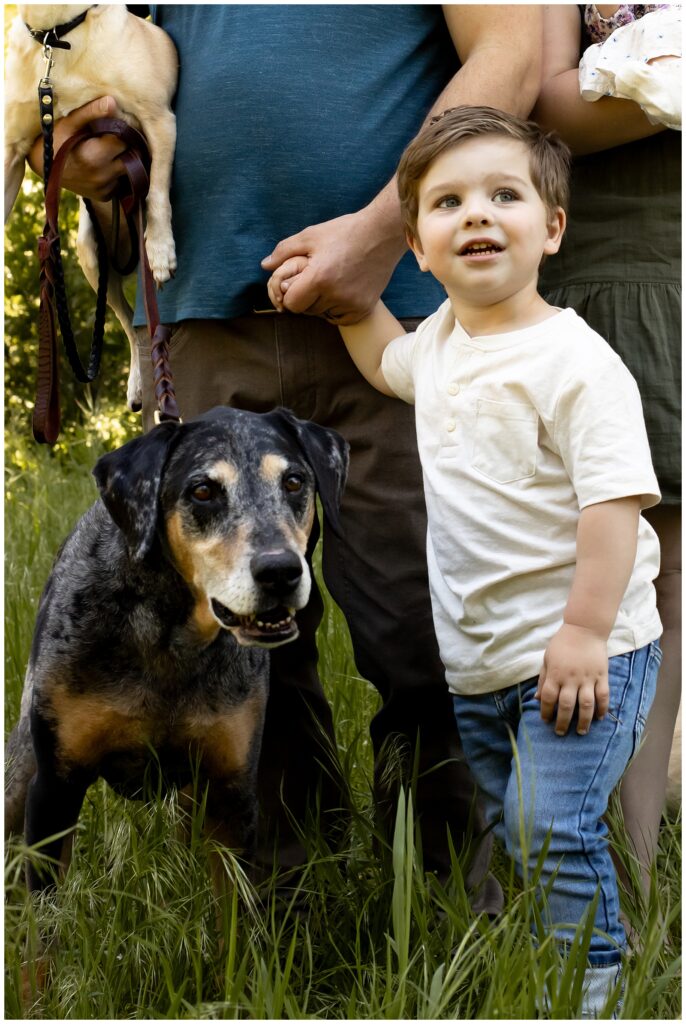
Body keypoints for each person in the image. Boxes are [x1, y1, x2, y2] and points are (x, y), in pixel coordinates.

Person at [27, 6, 542, 898]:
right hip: (203, 310)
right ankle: (289, 921)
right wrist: (81, 162)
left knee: (432, 633)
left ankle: (459, 921)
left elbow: (511, 53)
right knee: (248, 652)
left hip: (405, 311)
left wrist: (386, 229)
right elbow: (105, 67)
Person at [270, 105, 663, 1017]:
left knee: (547, 823)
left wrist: (582, 632)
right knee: (519, 835)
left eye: (504, 195)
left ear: (552, 227)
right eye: (449, 202)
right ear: (416, 244)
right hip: (483, 662)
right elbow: (389, 367)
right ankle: (558, 960)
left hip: (584, 651)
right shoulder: (443, 341)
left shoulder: (575, 363)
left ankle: (598, 988)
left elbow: (614, 507)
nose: (477, 215)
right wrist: (348, 304)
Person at [533, 3, 681, 897]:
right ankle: (597, 881)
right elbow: (545, 104)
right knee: (621, 575)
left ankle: (638, 874)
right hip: (617, 259)